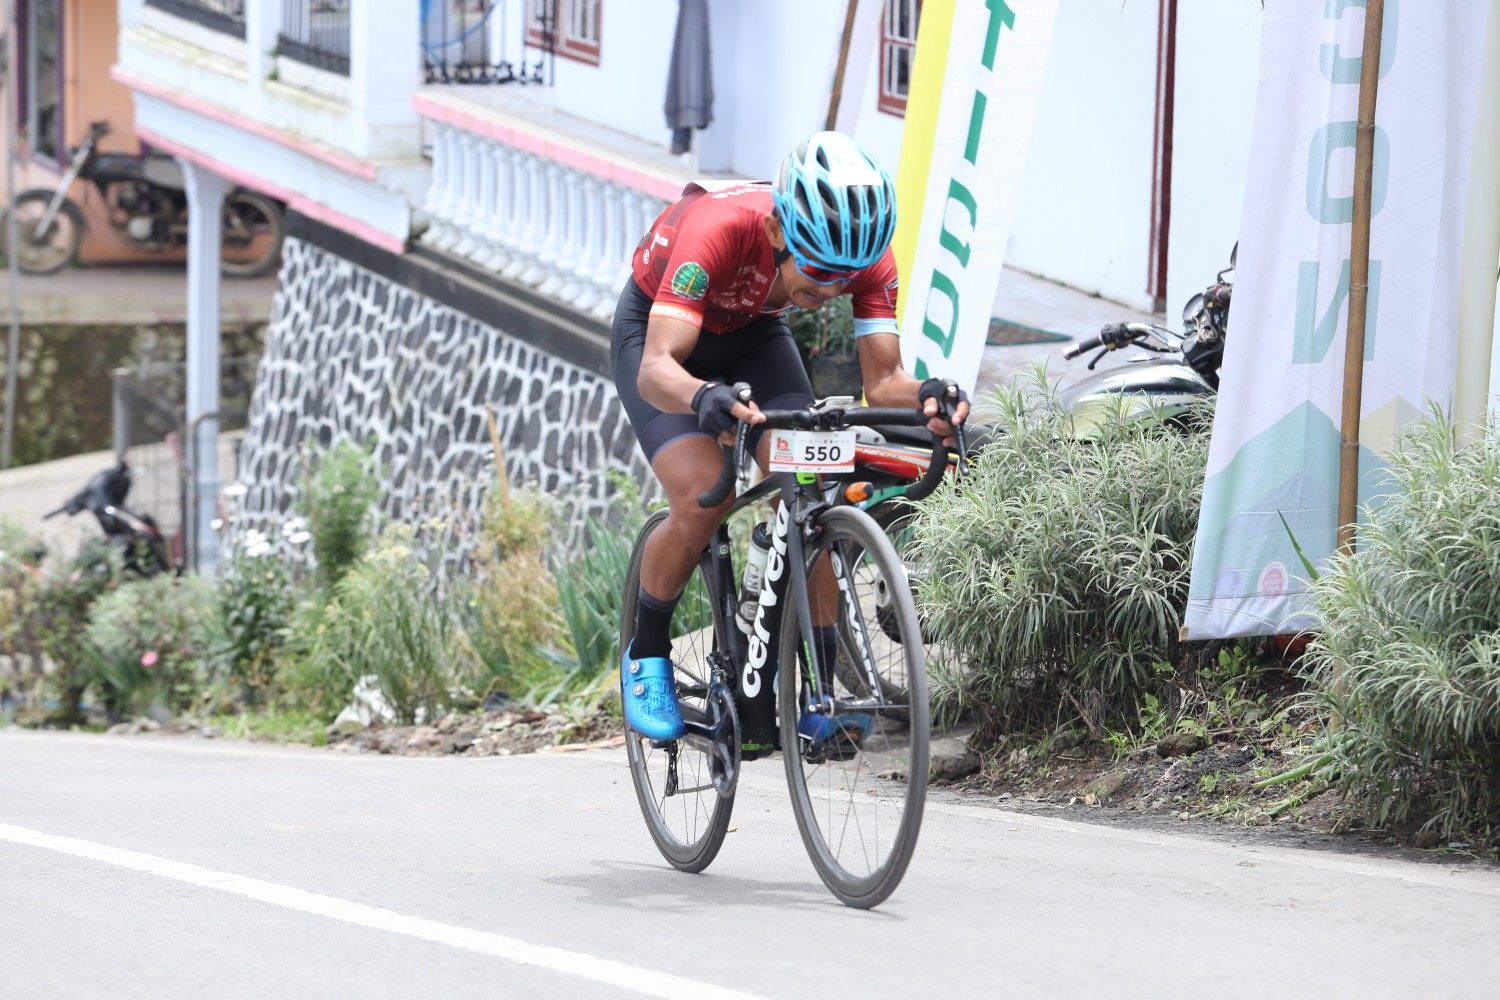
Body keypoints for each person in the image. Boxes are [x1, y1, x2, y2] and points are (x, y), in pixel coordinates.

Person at [609, 130, 969, 742]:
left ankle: (820, 692)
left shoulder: (862, 255)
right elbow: (657, 370)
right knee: (704, 495)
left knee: (815, 484)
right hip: (659, 338)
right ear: (778, 231)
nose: (830, 291)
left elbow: (884, 381)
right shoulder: (717, 231)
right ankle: (645, 654)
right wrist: (701, 396)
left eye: (846, 278)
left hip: (755, 334)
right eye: (820, 271)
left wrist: (930, 395)